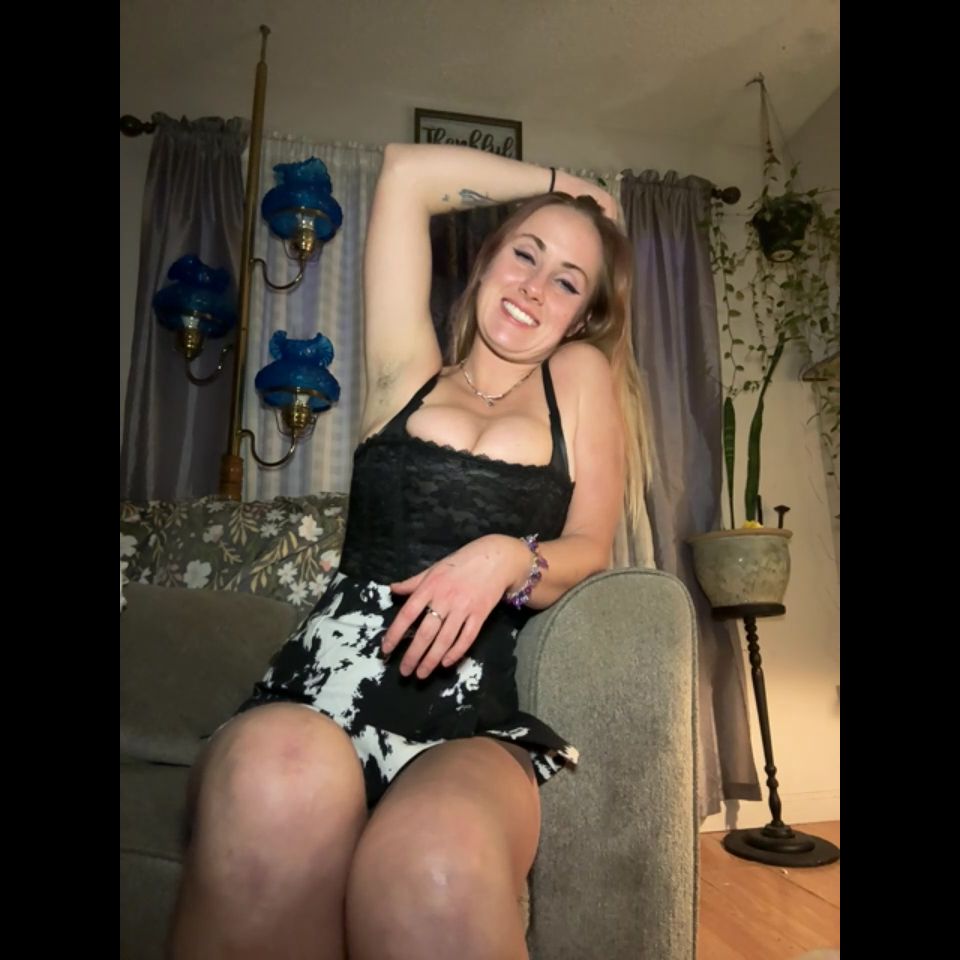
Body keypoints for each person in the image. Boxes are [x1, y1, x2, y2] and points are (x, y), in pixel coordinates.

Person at [169, 143, 649, 960]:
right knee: (274, 778)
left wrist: (510, 556)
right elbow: (405, 173)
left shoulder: (577, 378)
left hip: (466, 721)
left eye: (568, 281)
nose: (535, 287)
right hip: (320, 690)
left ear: (582, 316)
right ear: (485, 261)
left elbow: (590, 549)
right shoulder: (406, 374)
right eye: (524, 254)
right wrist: (574, 189)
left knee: (434, 862)